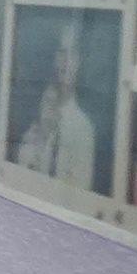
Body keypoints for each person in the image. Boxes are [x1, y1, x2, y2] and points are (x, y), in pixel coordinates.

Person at [13, 24, 98, 192]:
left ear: (80, 61)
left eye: (72, 54)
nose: (66, 62)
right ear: (53, 58)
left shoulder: (83, 129)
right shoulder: (36, 121)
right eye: (61, 52)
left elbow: (79, 194)